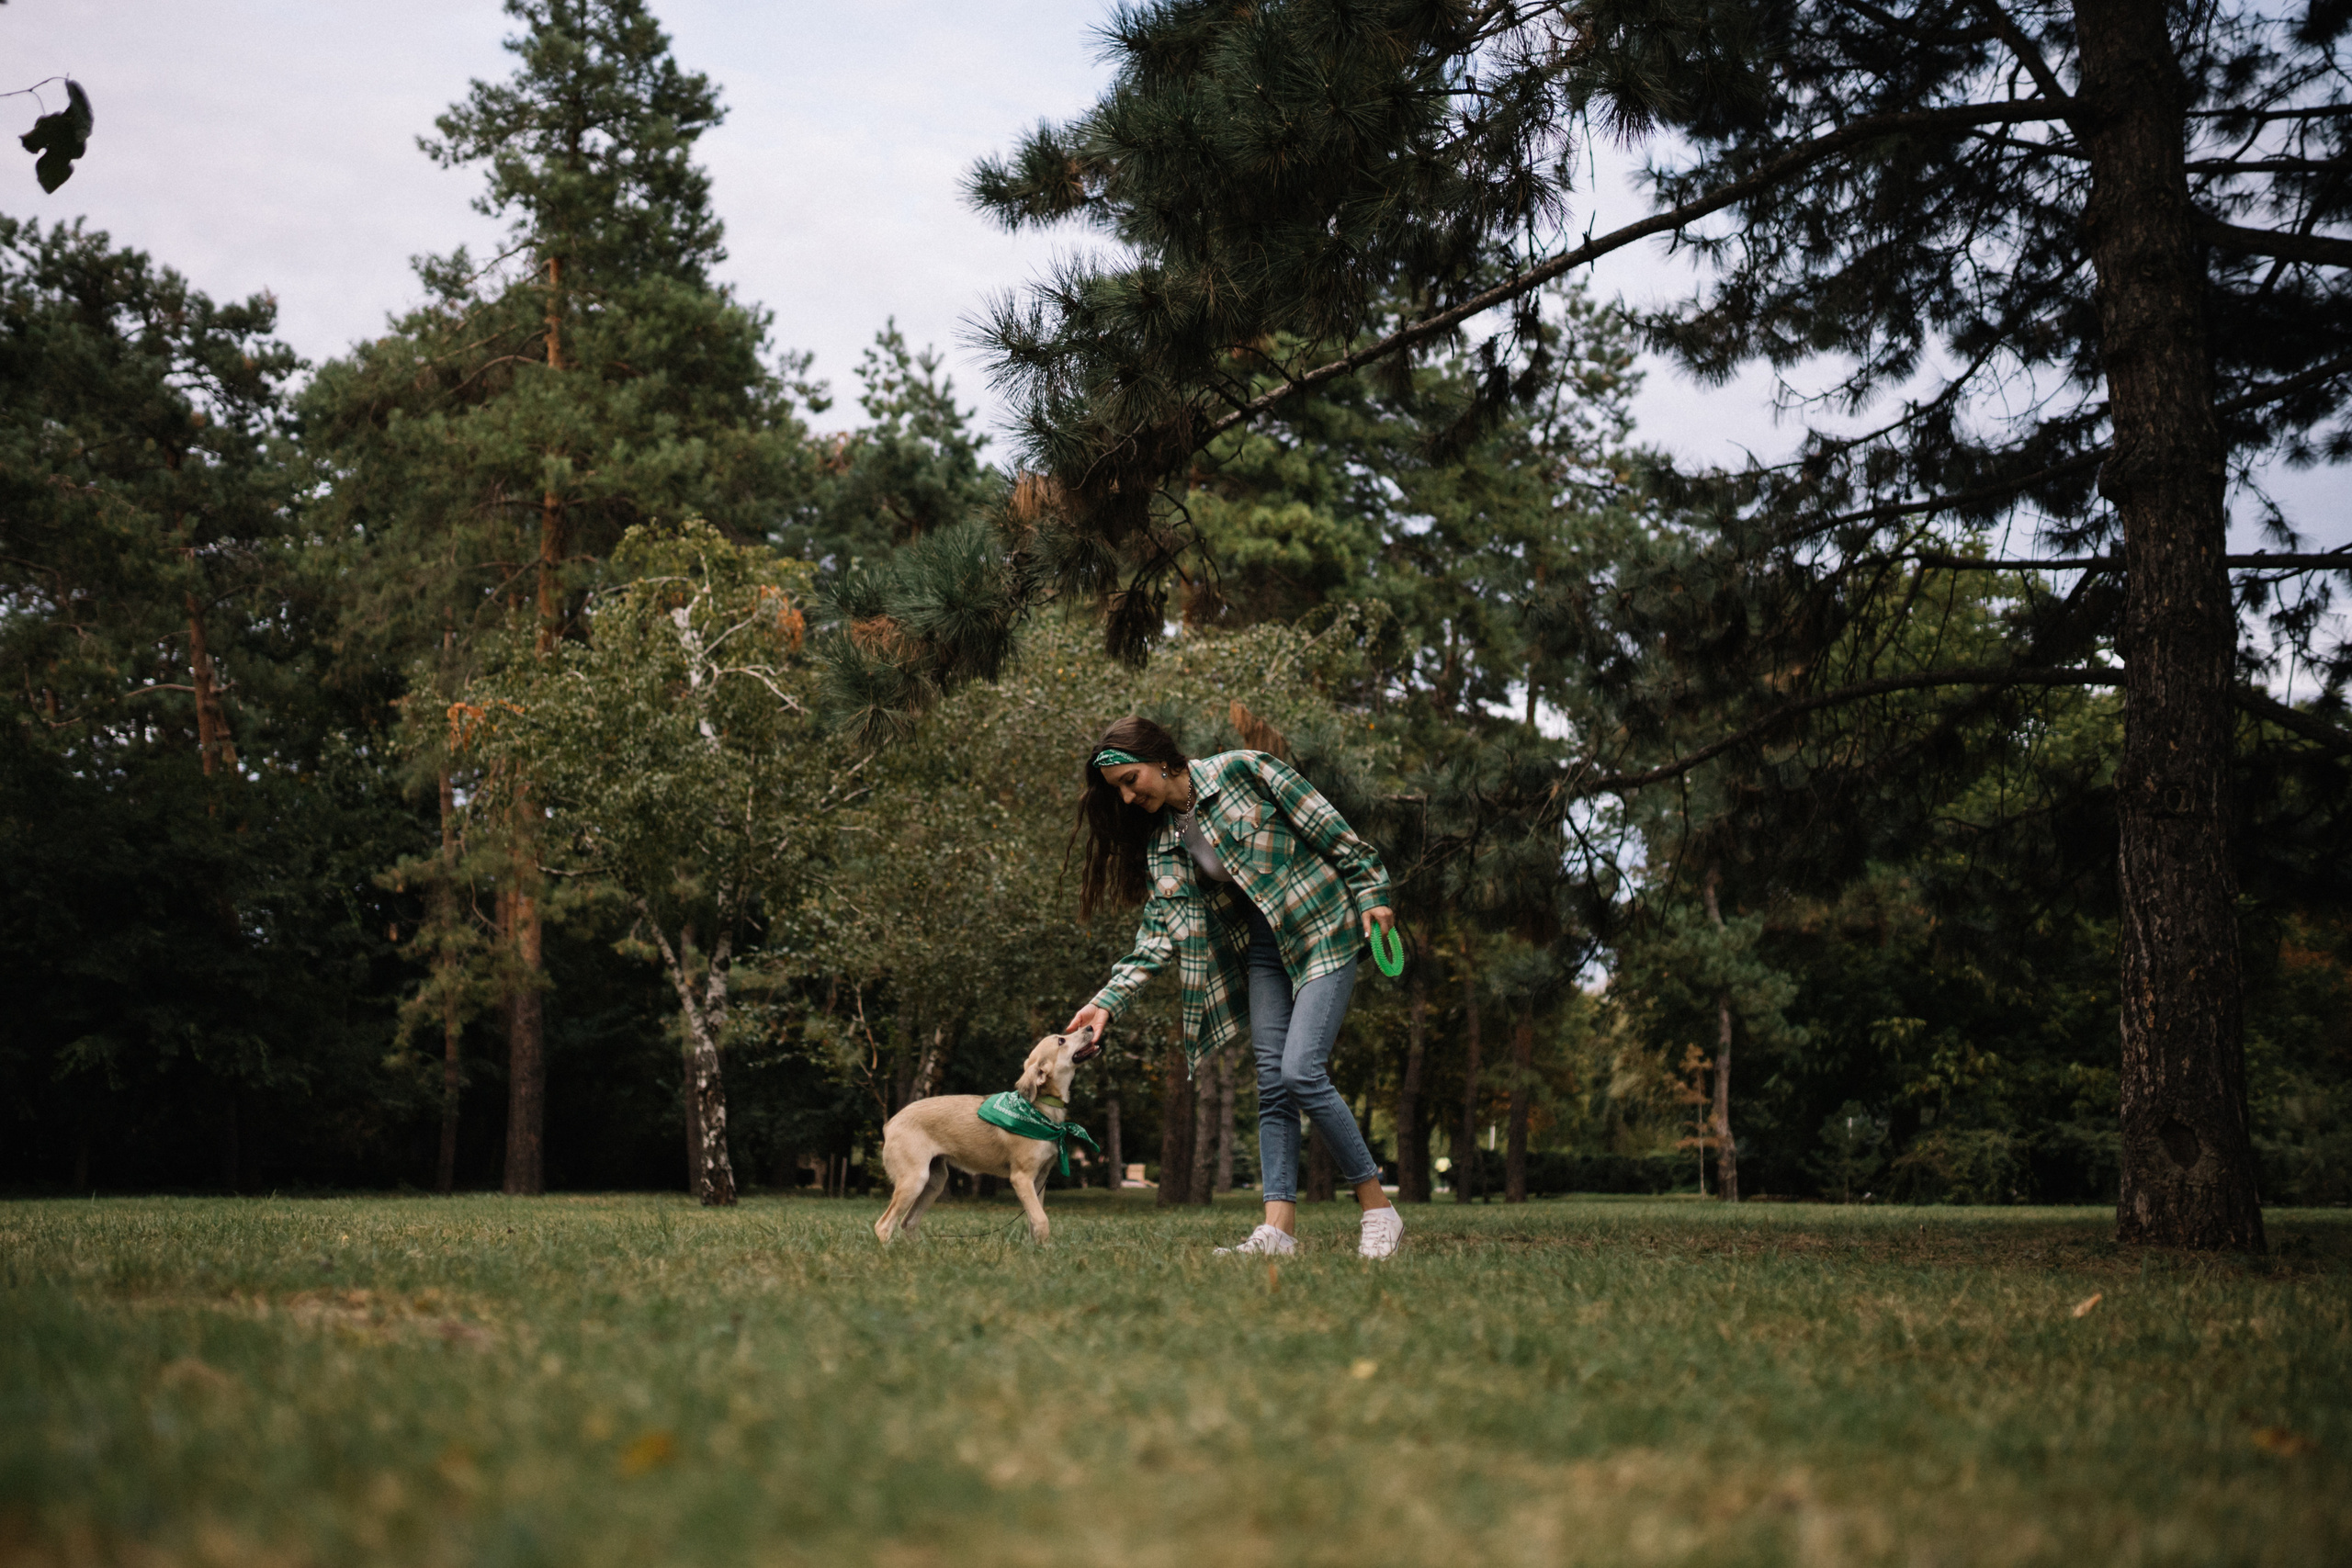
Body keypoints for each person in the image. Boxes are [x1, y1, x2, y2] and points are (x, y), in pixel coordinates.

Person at [1063, 716, 1404, 1259]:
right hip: (1266, 952)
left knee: (1301, 1070)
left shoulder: (1246, 769)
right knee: (1273, 1084)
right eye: (1118, 790)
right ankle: (1278, 1232)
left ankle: (1379, 1209)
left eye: (1131, 780)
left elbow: (1332, 829)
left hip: (1324, 927)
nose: (1127, 797)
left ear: (1160, 758)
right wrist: (1106, 1001)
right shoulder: (1162, 845)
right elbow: (1157, 935)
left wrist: (1373, 891)